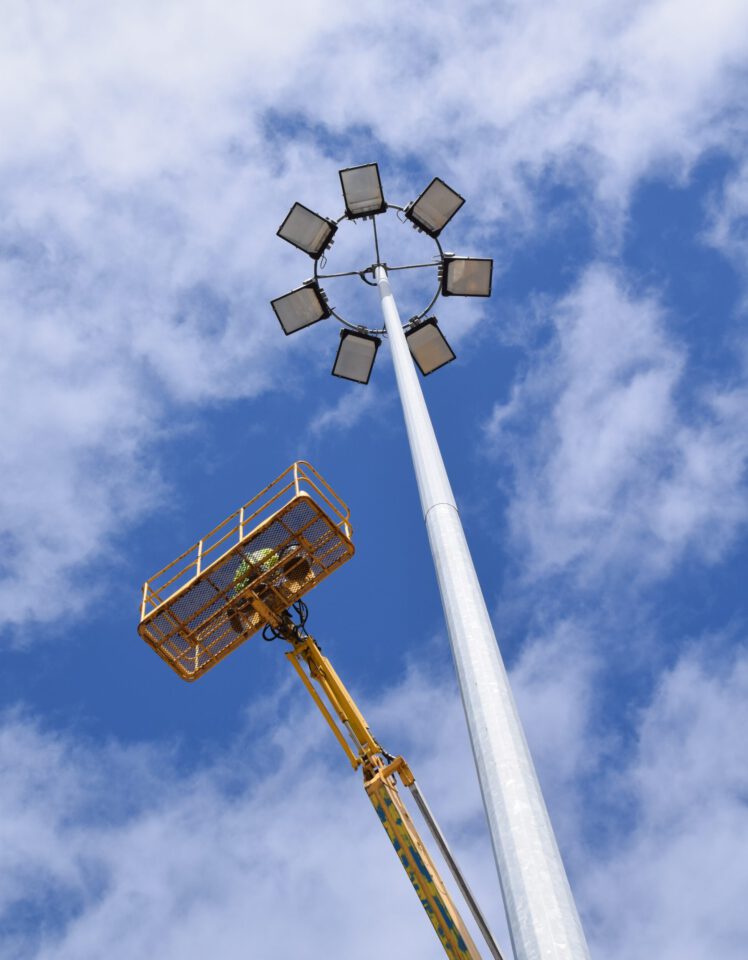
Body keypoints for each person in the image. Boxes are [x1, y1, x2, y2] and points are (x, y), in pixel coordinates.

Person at [227, 543, 313, 635]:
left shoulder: (273, 566)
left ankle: (237, 609)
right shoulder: (271, 554)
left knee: (255, 599)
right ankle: (238, 607)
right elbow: (263, 567)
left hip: (248, 583)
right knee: (267, 590)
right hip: (255, 575)